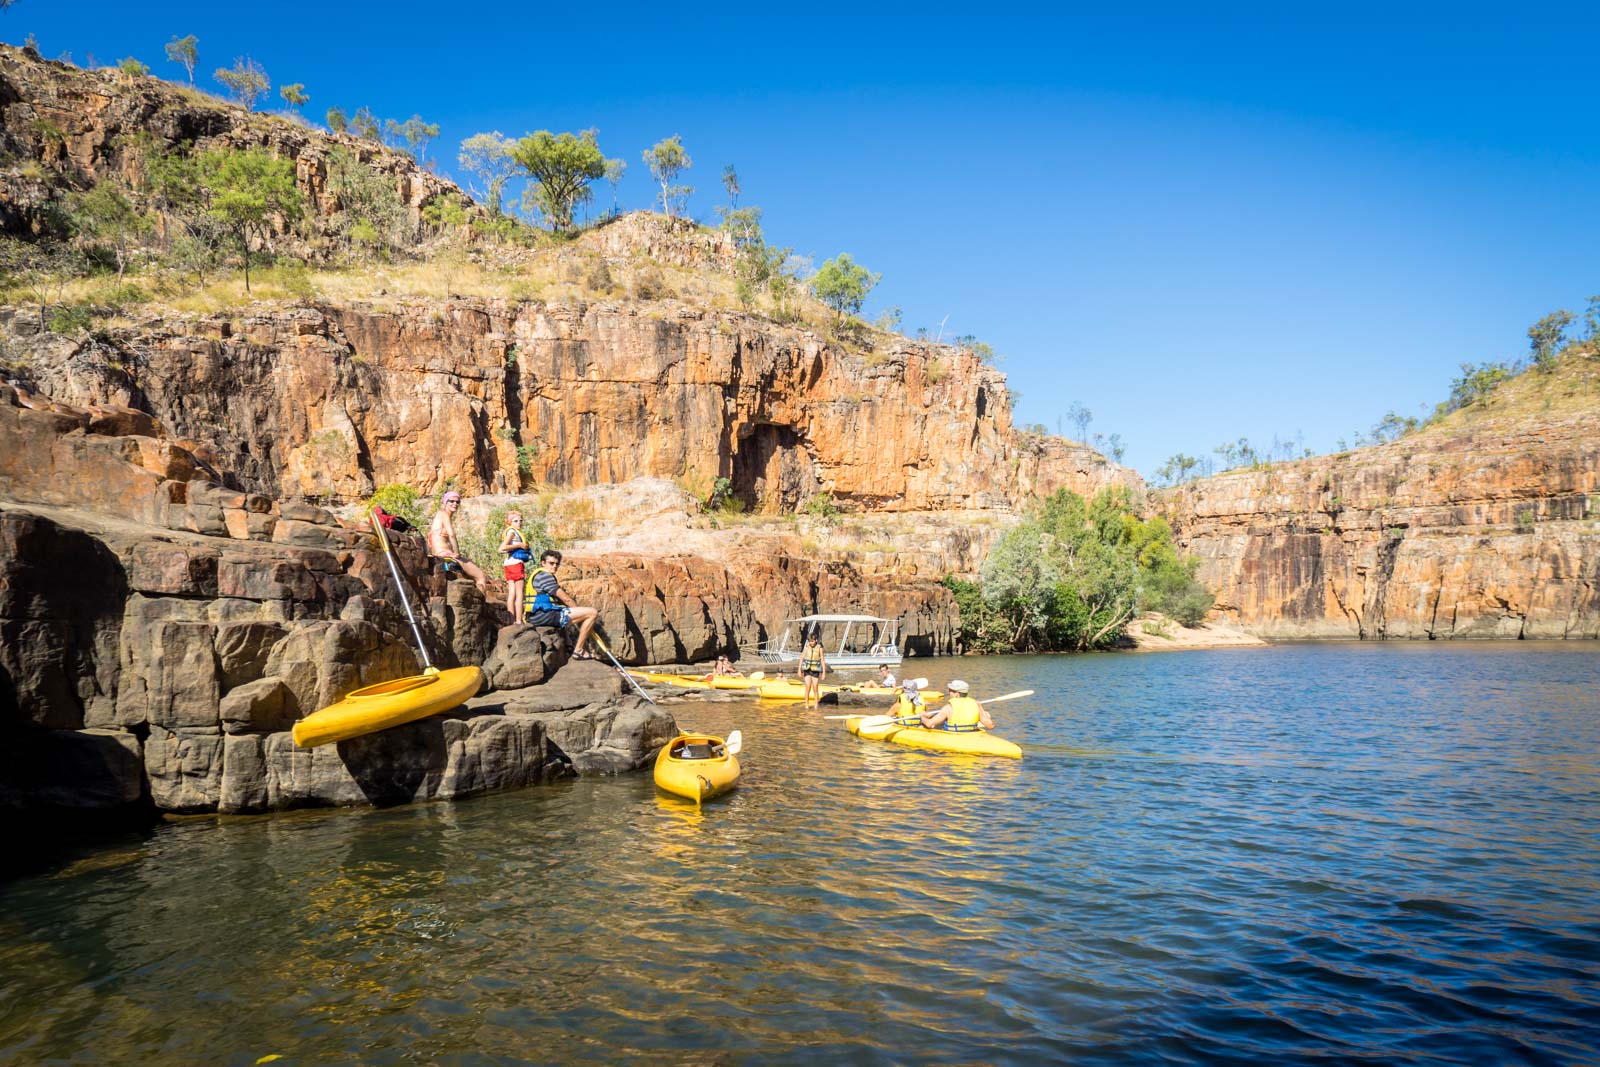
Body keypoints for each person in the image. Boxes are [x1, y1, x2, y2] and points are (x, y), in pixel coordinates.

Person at [525, 549, 599, 659]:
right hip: (544, 616)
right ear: (543, 563)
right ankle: (578, 651)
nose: (554, 566)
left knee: (562, 610)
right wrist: (579, 612)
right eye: (551, 563)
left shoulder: (539, 574)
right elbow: (566, 599)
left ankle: (568, 644)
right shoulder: (544, 576)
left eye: (557, 564)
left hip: (536, 616)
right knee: (592, 613)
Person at [427, 490, 487, 593]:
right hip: (445, 554)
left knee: (469, 563)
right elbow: (451, 534)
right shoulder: (443, 514)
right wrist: (456, 552)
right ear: (445, 502)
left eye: (457, 502)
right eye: (451, 501)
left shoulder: (439, 516)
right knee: (481, 576)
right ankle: (483, 604)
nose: (455, 504)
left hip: (439, 553)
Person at [920, 679, 993, 732]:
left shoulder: (948, 708)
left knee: (923, 726)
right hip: (971, 734)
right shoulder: (975, 705)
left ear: (957, 694)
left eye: (951, 690)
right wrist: (980, 707)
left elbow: (929, 724)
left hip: (954, 736)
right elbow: (990, 725)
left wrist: (922, 717)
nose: (949, 692)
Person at [498, 510, 532, 623]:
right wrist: (520, 545)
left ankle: (512, 620)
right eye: (515, 521)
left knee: (512, 592)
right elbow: (502, 548)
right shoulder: (512, 532)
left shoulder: (511, 531)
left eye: (520, 521)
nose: (519, 523)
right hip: (516, 563)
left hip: (508, 563)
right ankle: (518, 620)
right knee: (519, 593)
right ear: (509, 522)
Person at [796, 629, 827, 708]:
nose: (811, 643)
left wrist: (824, 673)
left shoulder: (819, 648)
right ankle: (806, 705)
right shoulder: (806, 648)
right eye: (810, 641)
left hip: (815, 670)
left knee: (815, 687)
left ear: (815, 640)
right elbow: (801, 658)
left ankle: (816, 705)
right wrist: (799, 670)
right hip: (807, 669)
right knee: (807, 687)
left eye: (812, 641)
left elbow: (822, 660)